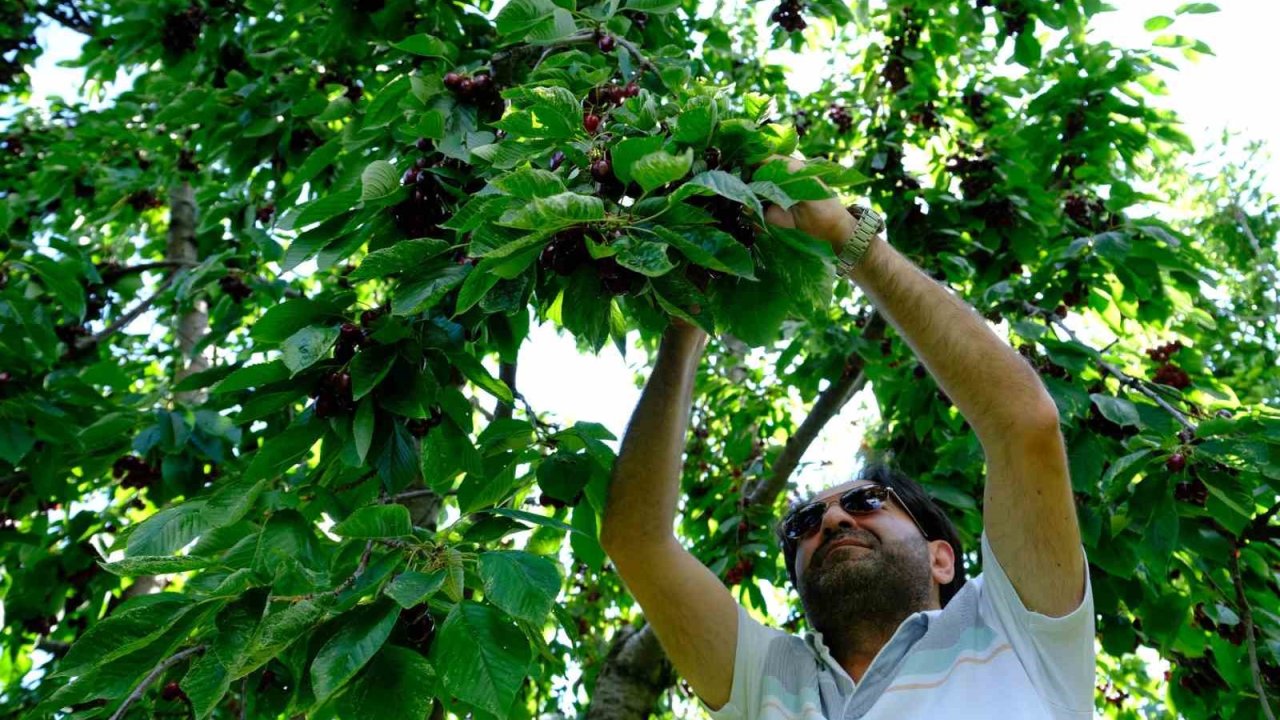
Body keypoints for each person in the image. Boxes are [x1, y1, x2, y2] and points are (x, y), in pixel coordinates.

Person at [598, 157, 1095, 719]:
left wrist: (849, 240)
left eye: (865, 502)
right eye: (802, 526)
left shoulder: (1015, 632)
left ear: (942, 560)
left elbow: (1023, 424)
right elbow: (636, 542)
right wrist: (686, 324)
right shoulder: (769, 678)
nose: (832, 521)